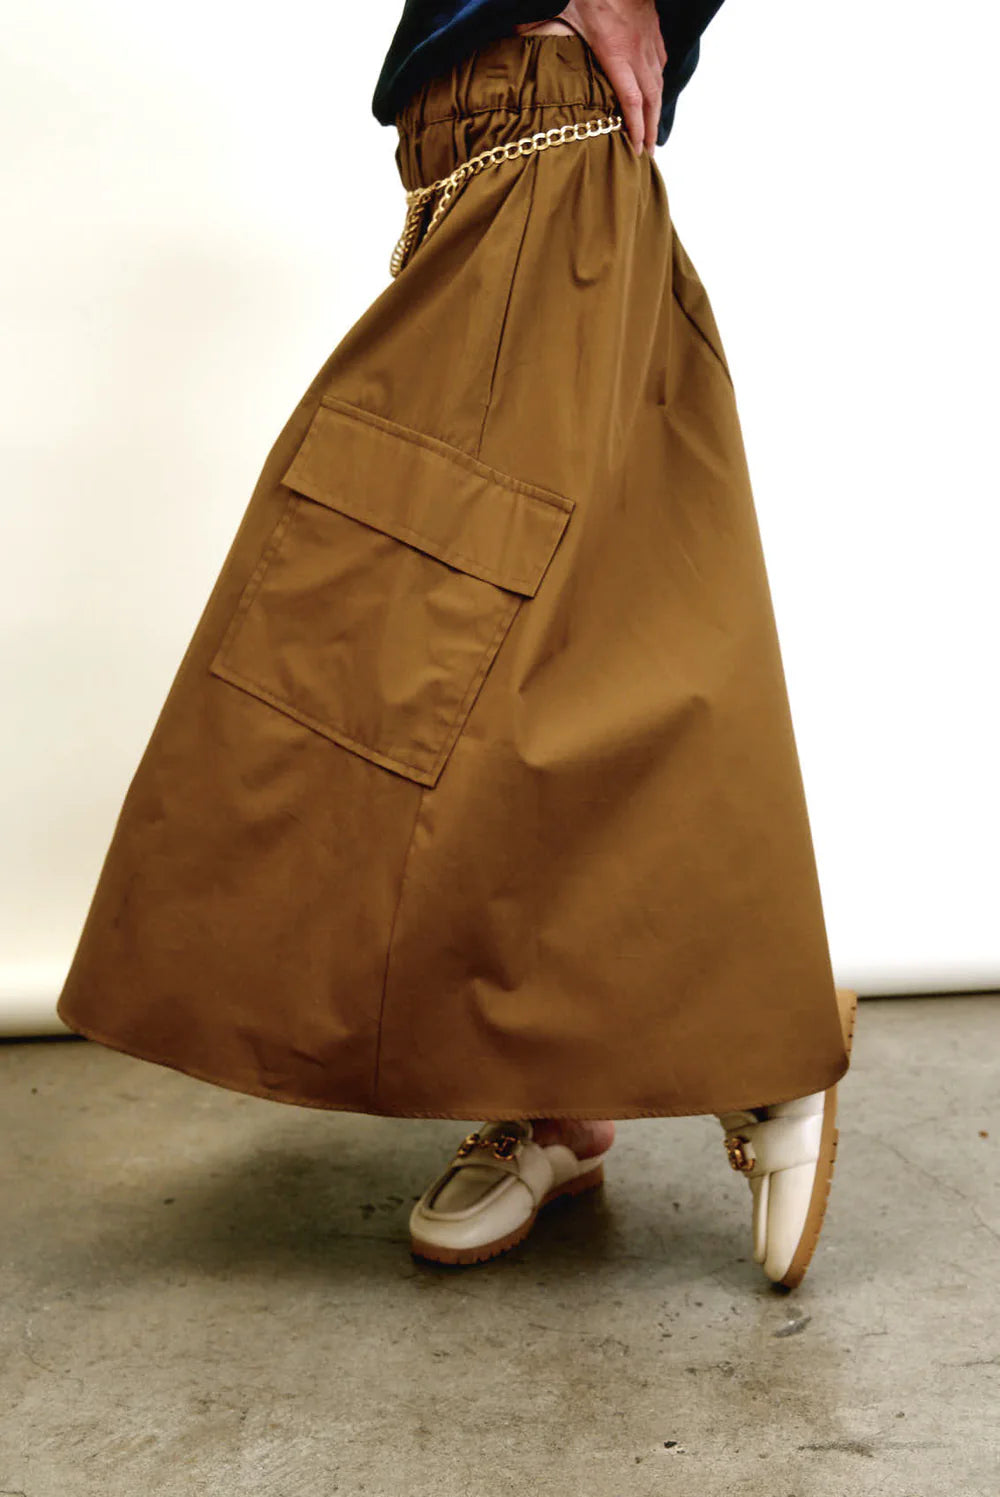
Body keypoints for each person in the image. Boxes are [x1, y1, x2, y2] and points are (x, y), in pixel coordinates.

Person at [56, 1, 857, 1291]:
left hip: (545, 147)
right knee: (537, 652)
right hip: (487, 160)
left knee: (405, 628)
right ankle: (557, 1104)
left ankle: (758, 1048)